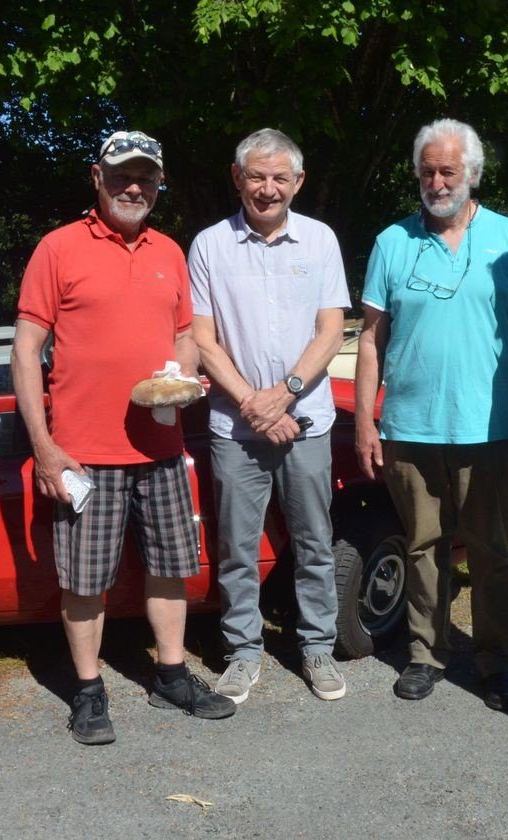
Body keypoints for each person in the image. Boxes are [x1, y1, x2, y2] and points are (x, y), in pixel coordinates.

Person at [11, 129, 236, 747]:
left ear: (160, 183)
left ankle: (170, 674)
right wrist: (45, 445)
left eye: (146, 176)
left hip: (161, 447)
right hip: (83, 453)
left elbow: (185, 333)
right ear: (97, 177)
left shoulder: (170, 250)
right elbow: (27, 350)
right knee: (85, 579)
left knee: (172, 568)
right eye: (121, 175)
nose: (134, 186)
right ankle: (88, 691)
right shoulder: (58, 248)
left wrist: (185, 372)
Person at [354, 118, 508, 709]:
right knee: (421, 547)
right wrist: (364, 421)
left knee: (490, 550)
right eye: (428, 171)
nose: (437, 181)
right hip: (409, 426)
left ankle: (496, 661)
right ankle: (425, 653)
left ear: (472, 175)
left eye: (448, 171)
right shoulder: (393, 241)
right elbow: (369, 340)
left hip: (489, 429)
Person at [188, 129, 351, 704]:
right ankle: (243, 651)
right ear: (237, 179)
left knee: (314, 540)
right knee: (236, 543)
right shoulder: (208, 245)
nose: (268, 187)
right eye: (256, 176)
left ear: (297, 182)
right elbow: (203, 340)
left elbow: (332, 329)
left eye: (280, 177)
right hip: (237, 425)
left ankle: (317, 647)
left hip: (306, 418)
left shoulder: (321, 240)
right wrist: (255, 406)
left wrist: (285, 393)